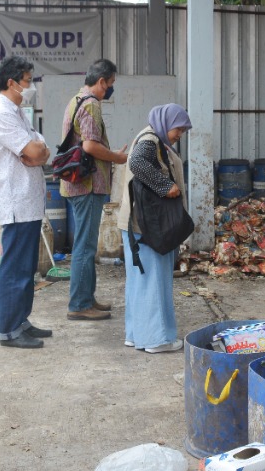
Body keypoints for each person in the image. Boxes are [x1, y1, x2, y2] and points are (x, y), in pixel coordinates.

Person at [0, 56, 54, 349]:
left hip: (28, 200)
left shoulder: (18, 112)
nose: (31, 86)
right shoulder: (1, 113)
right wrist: (34, 152)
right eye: (28, 81)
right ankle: (9, 330)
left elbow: (40, 150)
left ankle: (21, 320)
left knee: (27, 268)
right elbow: (31, 150)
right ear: (11, 83)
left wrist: (36, 152)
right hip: (16, 201)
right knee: (15, 268)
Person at [118, 104, 192, 353]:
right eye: (178, 128)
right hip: (146, 227)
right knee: (153, 281)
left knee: (140, 282)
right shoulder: (150, 140)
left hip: (137, 224)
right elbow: (137, 163)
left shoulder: (150, 137)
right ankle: (155, 340)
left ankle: (137, 334)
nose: (179, 134)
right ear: (165, 123)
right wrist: (164, 186)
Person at [59, 58, 127, 321]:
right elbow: (89, 146)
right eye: (110, 84)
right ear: (101, 82)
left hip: (79, 184)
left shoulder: (75, 100)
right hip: (87, 185)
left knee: (86, 245)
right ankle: (79, 304)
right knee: (85, 247)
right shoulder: (91, 105)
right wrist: (116, 157)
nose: (110, 89)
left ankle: (87, 297)